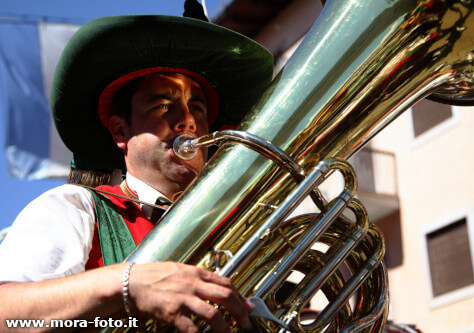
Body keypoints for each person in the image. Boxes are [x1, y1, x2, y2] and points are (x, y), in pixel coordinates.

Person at [0, 8, 273, 333]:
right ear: (119, 131)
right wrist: (127, 283)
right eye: (162, 105)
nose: (187, 120)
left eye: (197, 108)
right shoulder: (76, 207)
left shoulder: (245, 222)